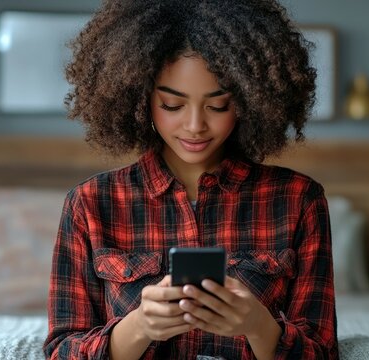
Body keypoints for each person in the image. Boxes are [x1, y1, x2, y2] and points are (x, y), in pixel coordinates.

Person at [43, 0, 338, 359]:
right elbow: (62, 350)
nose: (195, 125)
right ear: (141, 100)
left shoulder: (299, 200)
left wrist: (260, 326)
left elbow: (321, 352)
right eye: (172, 105)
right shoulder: (90, 204)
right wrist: (138, 327)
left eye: (218, 106)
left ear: (249, 101)